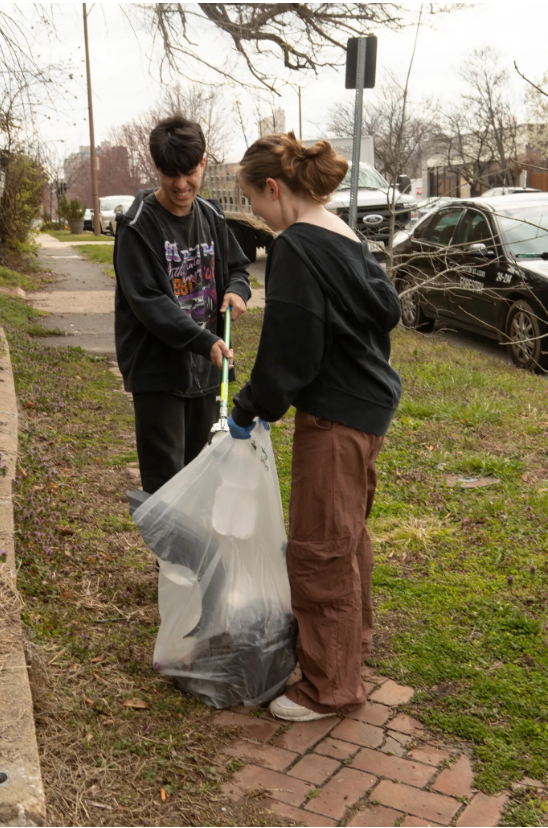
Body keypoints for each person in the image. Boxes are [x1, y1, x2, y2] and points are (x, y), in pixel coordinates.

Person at [228, 132, 402, 722]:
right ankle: (350, 650)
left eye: (254, 202)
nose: (256, 215)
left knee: (319, 549)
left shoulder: (297, 248)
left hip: (335, 418)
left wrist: (250, 406)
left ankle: (330, 685)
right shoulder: (345, 235)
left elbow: (290, 354)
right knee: (347, 537)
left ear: (274, 188)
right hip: (367, 411)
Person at [114, 116, 251, 495]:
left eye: (189, 173)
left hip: (207, 373)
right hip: (159, 374)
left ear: (203, 163)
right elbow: (150, 304)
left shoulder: (211, 216)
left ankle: (193, 556)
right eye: (170, 174)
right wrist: (203, 342)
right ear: (156, 168)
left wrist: (238, 290)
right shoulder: (137, 228)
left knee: (202, 479)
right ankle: (169, 558)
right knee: (167, 488)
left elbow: (238, 268)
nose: (180, 184)